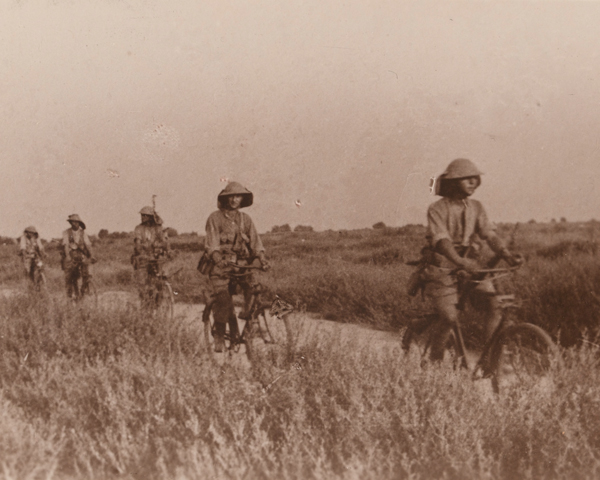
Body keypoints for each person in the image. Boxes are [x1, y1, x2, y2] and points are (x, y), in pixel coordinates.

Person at [420, 158, 521, 361]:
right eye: (466, 178)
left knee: (494, 305)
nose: (472, 182)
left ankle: (492, 360)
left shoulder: (477, 207)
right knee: (449, 318)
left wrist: (506, 255)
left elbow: (489, 234)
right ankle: (434, 363)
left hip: (469, 268)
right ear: (453, 182)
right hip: (442, 270)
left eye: (474, 178)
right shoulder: (436, 209)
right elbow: (441, 240)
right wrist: (459, 260)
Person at [203, 181, 269, 352]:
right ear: (225, 199)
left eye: (238, 196)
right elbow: (212, 245)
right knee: (223, 300)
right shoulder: (214, 218)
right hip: (221, 267)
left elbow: (256, 242)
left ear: (242, 199)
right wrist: (218, 258)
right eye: (231, 196)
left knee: (254, 290)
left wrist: (261, 257)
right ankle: (218, 336)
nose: (234, 200)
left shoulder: (245, 220)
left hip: (240, 266)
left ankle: (249, 328)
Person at [132, 206, 170, 307]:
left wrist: (166, 250)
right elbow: (138, 243)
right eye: (142, 215)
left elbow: (164, 242)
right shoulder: (139, 229)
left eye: (145, 215)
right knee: (143, 284)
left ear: (150, 217)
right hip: (143, 259)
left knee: (161, 279)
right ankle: (145, 305)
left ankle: (159, 301)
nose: (142, 217)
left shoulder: (158, 228)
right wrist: (141, 250)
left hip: (156, 258)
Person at [61, 214, 95, 300]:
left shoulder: (83, 233)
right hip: (71, 257)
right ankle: (69, 296)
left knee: (87, 272)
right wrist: (68, 256)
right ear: (71, 223)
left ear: (79, 223)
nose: (74, 224)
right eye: (73, 222)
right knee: (70, 277)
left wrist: (92, 255)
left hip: (81, 256)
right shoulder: (66, 233)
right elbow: (65, 245)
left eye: (76, 222)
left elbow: (88, 245)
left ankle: (85, 289)